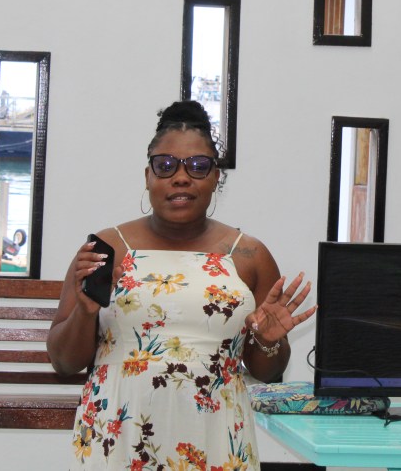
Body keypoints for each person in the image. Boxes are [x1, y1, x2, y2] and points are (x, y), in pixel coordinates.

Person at [47, 101, 316, 470]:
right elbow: (63, 362)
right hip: (118, 437)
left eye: (198, 166)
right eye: (166, 165)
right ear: (148, 176)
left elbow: (266, 371)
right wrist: (85, 311)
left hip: (216, 436)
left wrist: (267, 341)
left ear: (216, 177)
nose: (181, 177)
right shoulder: (106, 250)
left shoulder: (249, 256)